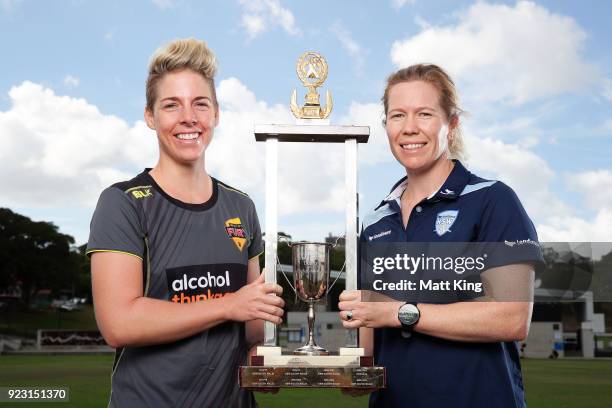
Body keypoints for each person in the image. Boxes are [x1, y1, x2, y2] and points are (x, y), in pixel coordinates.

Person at [87, 38, 284, 407]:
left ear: (216, 114)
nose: (188, 117)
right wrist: (228, 305)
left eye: (200, 104)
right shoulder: (123, 203)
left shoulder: (241, 206)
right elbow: (119, 323)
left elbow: (253, 325)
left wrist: (263, 358)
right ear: (150, 116)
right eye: (171, 105)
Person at [338, 64, 542, 407]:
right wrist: (353, 372)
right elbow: (369, 339)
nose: (410, 128)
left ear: (452, 123)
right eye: (397, 115)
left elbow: (512, 318)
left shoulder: (493, 199)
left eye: (425, 114)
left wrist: (400, 313)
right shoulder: (375, 221)